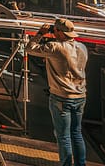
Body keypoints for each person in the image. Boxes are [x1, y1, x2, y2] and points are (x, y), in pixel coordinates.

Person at [27, 18, 88, 166]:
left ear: (60, 32)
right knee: (77, 133)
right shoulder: (82, 47)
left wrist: (40, 33)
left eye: (55, 30)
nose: (53, 33)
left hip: (62, 97)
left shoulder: (54, 47)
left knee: (63, 136)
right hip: (80, 95)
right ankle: (81, 164)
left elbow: (29, 48)